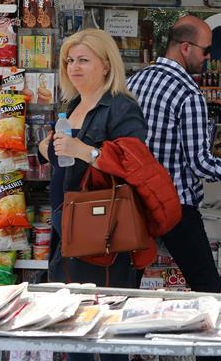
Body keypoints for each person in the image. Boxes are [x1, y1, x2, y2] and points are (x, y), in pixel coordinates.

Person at [127, 16, 221, 296]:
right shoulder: (188, 93)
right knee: (207, 286)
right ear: (185, 47)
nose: (210, 57)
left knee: (127, 285)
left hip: (135, 201)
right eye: (206, 50)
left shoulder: (134, 81)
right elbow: (201, 164)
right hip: (174, 204)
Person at [37, 29, 148, 361]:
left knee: (109, 332)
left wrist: (83, 150)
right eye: (69, 60)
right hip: (67, 226)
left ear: (106, 64)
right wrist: (46, 148)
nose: (74, 67)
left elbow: (133, 163)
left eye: (83, 60)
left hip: (104, 230)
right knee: (74, 330)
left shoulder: (121, 107)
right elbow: (62, 155)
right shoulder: (72, 104)